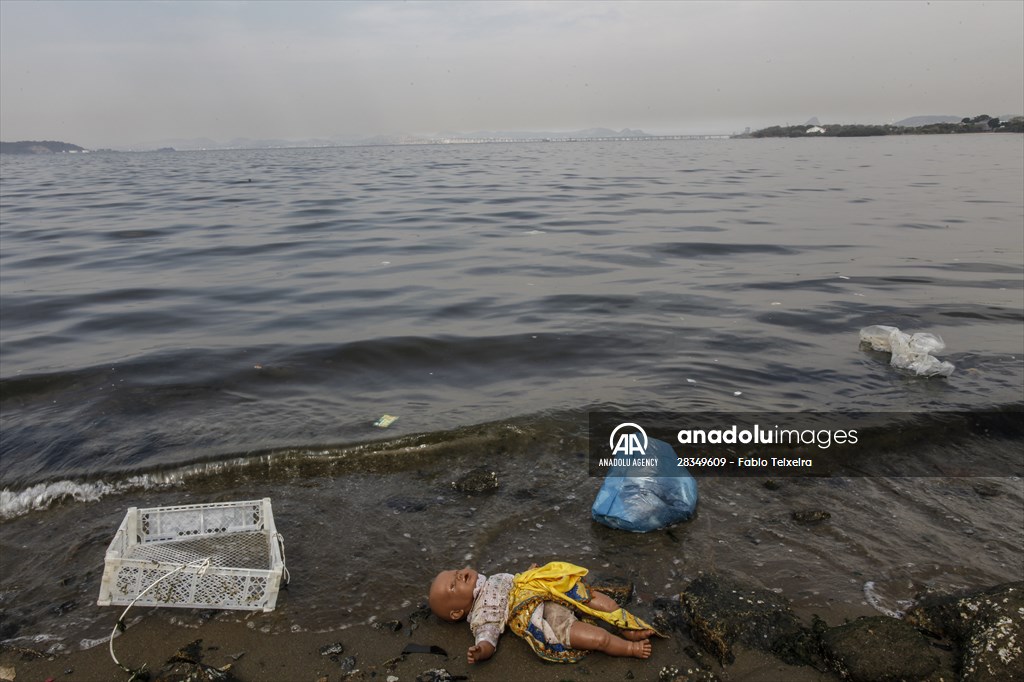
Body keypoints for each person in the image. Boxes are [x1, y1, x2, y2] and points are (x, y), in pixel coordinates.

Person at [428, 560, 661, 664]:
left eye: (455, 571)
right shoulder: (482, 614)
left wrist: (528, 573)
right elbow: (487, 636)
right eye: (453, 584)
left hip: (543, 588)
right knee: (595, 638)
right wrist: (481, 650)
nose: (458, 575)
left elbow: (514, 580)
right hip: (542, 614)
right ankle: (629, 648)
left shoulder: (494, 578)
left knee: (594, 599)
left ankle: (627, 627)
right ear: (457, 612)